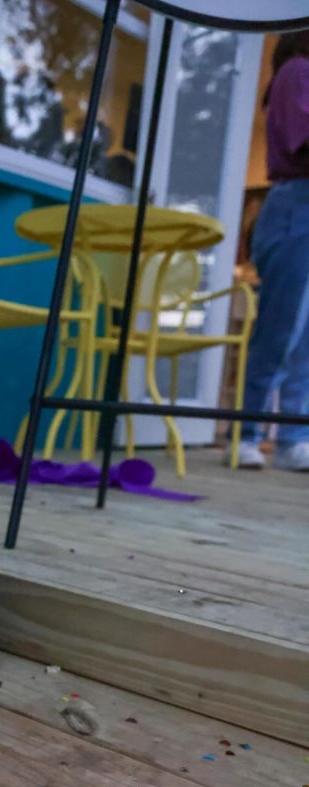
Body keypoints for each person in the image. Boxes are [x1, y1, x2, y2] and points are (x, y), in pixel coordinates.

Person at [232, 32, 309, 470]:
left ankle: (294, 437)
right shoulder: (298, 70)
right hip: (296, 204)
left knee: (305, 337)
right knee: (281, 329)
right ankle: (246, 431)